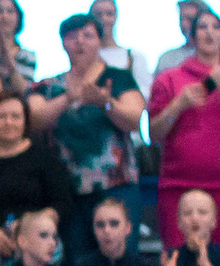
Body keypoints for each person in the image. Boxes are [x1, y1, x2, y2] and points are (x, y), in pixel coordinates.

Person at [148, 10, 220, 255]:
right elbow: (153, 133)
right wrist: (179, 104)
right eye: (202, 27)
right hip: (178, 184)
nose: (209, 32)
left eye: (215, 27)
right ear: (193, 35)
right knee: (178, 264)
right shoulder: (170, 79)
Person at [27, 14, 145, 231]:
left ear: (100, 41)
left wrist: (105, 103)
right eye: (72, 36)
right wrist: (68, 98)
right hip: (67, 190)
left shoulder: (118, 78)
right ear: (63, 43)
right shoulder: (50, 85)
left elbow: (135, 120)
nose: (80, 42)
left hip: (117, 187)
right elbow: (34, 120)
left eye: (88, 35)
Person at [0, 81, 77, 252]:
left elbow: (61, 203)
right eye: (1, 117)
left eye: (15, 116)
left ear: (25, 120)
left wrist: (26, 227)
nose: (8, 122)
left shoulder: (43, 155)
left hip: (35, 241)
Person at [88, 0, 130, 73]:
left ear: (116, 17)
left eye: (109, 14)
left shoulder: (132, 57)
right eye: (98, 14)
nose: (104, 18)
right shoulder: (82, 56)